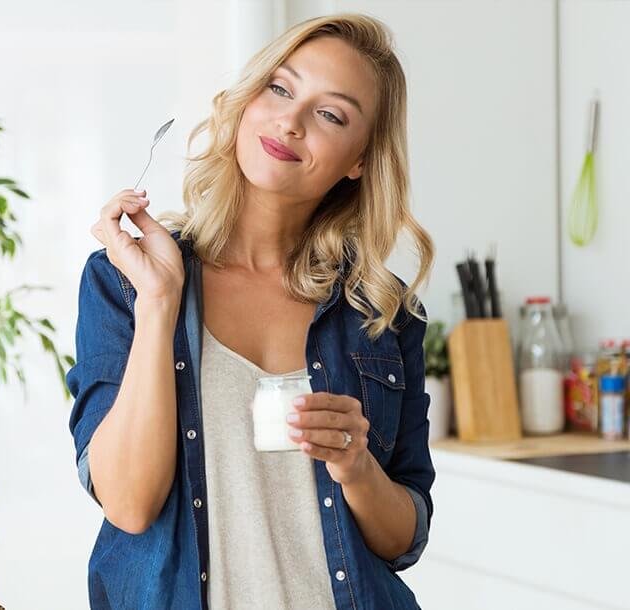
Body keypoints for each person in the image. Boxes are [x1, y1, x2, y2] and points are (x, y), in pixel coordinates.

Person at [67, 12, 435, 610]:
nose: (289, 121)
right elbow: (129, 506)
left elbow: (404, 537)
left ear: (359, 160)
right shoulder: (126, 283)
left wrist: (356, 465)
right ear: (247, 100)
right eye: (280, 88)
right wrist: (162, 301)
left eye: (330, 114)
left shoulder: (383, 311)